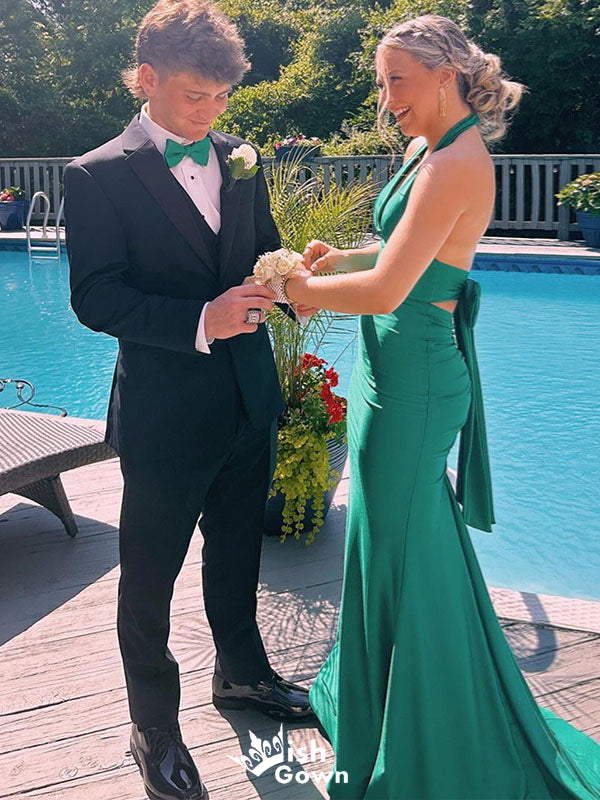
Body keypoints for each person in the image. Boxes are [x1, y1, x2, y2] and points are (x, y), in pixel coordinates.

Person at [278, 14, 600, 799]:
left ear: (445, 74)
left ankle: (430, 736)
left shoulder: (458, 162)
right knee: (394, 546)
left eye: (398, 80)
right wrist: (334, 261)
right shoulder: (427, 148)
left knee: (403, 553)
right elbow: (399, 256)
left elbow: (391, 289)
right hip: (390, 375)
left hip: (416, 386)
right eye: (382, 81)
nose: (386, 98)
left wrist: (299, 288)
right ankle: (388, 708)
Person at [63, 2, 317, 799]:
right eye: (194, 97)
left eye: (222, 97)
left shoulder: (241, 157)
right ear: (148, 78)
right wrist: (202, 320)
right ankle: (154, 729)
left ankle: (242, 676)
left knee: (238, 553)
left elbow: (260, 248)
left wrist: (291, 279)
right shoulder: (95, 174)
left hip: (248, 398)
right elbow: (96, 298)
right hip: (165, 415)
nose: (211, 113)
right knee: (149, 580)